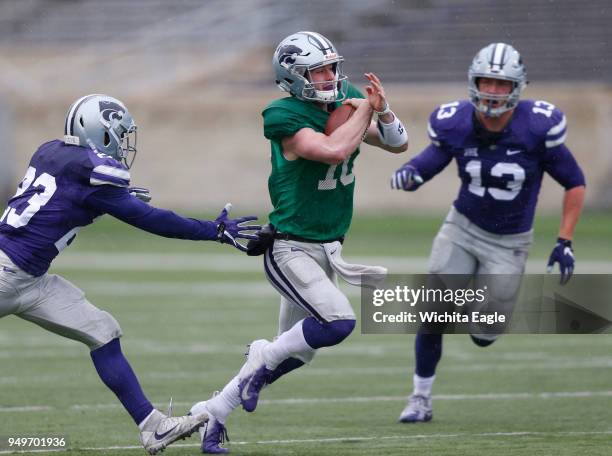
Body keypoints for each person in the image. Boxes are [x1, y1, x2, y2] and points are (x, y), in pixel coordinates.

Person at [0, 94, 259, 454]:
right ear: (100, 133)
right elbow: (153, 221)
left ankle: (153, 428)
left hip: (29, 279)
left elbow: (66, 194)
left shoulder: (50, 150)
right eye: (119, 135)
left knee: (103, 331)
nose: (123, 144)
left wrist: (112, 197)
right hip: (6, 272)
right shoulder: (95, 174)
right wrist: (213, 231)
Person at [189, 30, 409, 453]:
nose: (329, 77)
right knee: (338, 322)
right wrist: (365, 107)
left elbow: (398, 144)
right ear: (291, 77)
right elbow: (332, 151)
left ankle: (214, 412)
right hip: (291, 247)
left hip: (328, 247)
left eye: (330, 67)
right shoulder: (283, 115)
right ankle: (261, 356)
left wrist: (382, 111)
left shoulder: (342, 100)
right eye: (317, 70)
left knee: (297, 352)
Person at [390, 43, 586, 423]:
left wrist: (565, 240)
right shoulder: (455, 121)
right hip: (461, 227)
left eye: (501, 84)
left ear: (516, 86)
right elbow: (434, 157)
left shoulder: (538, 126)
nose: (492, 91)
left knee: (484, 334)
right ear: (473, 82)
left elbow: (574, 182)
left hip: (510, 242)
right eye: (486, 82)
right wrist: (412, 172)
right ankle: (419, 398)